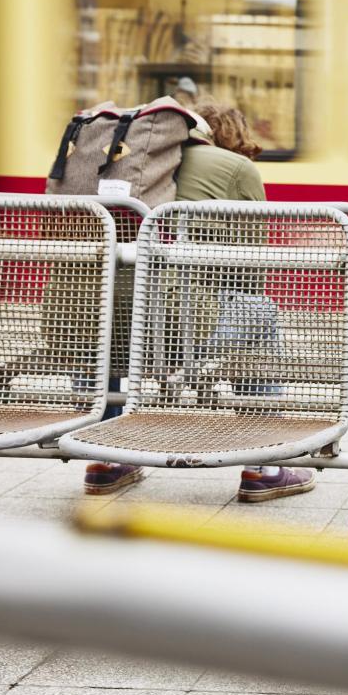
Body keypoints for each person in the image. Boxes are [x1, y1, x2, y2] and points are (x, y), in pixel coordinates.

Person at [83, 99, 316, 503]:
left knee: (107, 310)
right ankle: (265, 466)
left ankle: (107, 458)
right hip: (182, 336)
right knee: (258, 315)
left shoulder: (119, 163)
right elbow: (250, 273)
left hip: (98, 333)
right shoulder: (234, 169)